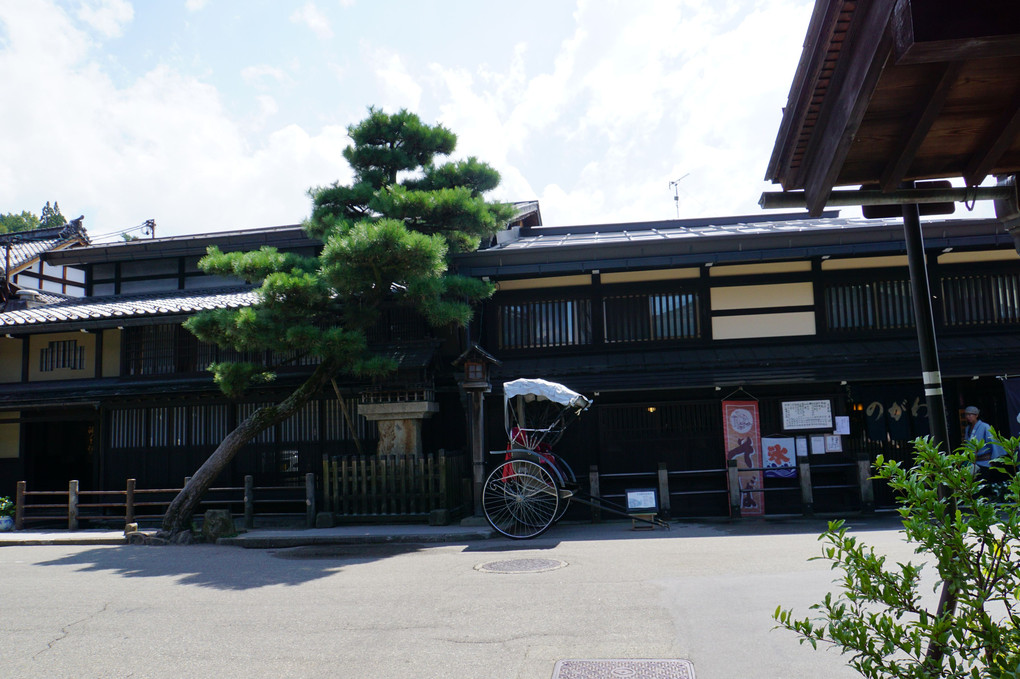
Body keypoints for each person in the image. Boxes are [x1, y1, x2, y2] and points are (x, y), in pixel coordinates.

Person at [963, 406, 1006, 484]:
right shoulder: (967, 429)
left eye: (970, 415)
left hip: (985, 462)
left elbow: (992, 442)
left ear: (976, 415)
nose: (968, 417)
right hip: (973, 463)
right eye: (966, 415)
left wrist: (994, 459)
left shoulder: (985, 427)